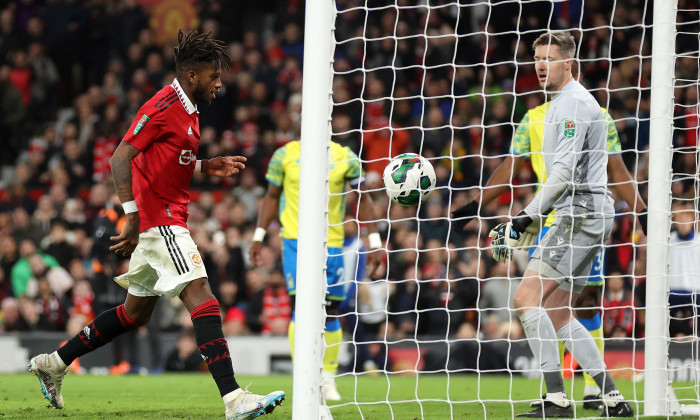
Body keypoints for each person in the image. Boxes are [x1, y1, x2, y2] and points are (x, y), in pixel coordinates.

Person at [28, 30, 284, 420]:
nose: (220, 83)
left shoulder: (191, 112)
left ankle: (54, 363)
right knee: (200, 292)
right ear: (192, 76)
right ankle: (234, 399)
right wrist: (131, 215)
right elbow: (119, 159)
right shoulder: (163, 104)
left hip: (165, 218)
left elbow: (166, 164)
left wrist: (207, 166)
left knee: (135, 314)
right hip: (159, 221)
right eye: (214, 76)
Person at [452, 68, 647, 409]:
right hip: (551, 221)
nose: (542, 67)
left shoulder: (597, 115)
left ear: (570, 68)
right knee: (558, 312)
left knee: (568, 302)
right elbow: (511, 166)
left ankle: (575, 393)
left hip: (571, 216)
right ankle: (606, 395)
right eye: (538, 60)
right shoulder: (532, 119)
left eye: (549, 60)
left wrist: (642, 212)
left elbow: (616, 169)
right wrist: (476, 204)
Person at [250, 139, 382, 401]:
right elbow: (271, 197)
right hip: (294, 243)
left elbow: (363, 199)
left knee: (331, 312)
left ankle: (327, 379)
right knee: (299, 307)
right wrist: (258, 236)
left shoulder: (345, 156)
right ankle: (303, 376)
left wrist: (376, 240)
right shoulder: (284, 155)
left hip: (330, 243)